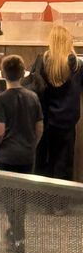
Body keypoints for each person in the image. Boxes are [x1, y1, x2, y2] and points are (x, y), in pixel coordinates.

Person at [0, 54, 43, 253]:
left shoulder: (0, 99)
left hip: (6, 156)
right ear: (23, 73)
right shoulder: (33, 97)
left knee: (9, 198)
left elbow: (0, 129)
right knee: (21, 198)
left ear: (3, 74)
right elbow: (39, 127)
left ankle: (17, 240)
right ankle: (17, 234)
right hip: (27, 156)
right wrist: (32, 145)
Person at [29, 24, 83, 182]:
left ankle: (43, 199)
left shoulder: (42, 62)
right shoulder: (78, 65)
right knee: (64, 163)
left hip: (46, 120)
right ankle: (61, 202)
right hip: (67, 122)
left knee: (44, 160)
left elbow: (34, 85)